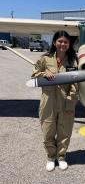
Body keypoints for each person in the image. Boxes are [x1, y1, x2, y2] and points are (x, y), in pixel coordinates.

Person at [31, 31, 78, 172]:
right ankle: (51, 157)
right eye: (60, 41)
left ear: (69, 44)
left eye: (66, 42)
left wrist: (71, 99)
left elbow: (76, 81)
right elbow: (34, 74)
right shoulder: (45, 59)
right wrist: (44, 73)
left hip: (66, 99)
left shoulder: (72, 61)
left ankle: (61, 157)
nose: (63, 44)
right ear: (54, 43)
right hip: (48, 100)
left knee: (65, 130)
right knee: (48, 129)